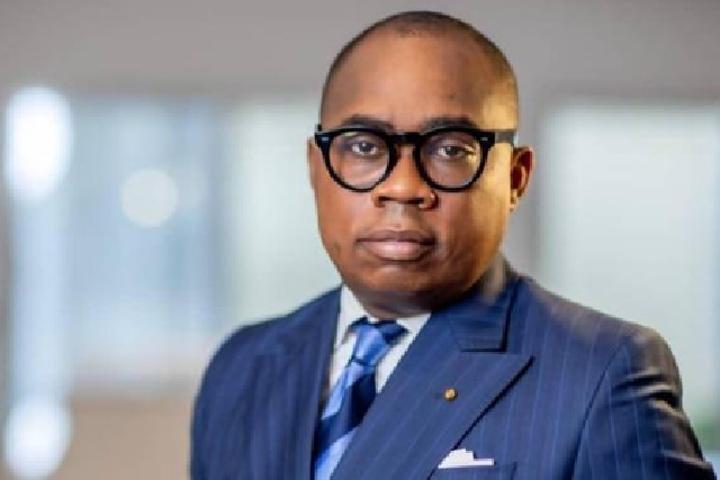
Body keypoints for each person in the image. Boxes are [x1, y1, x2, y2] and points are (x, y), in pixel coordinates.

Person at [190, 10, 716, 480]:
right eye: (364, 146)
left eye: (449, 150)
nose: (402, 187)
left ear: (515, 178)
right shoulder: (242, 366)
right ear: (315, 168)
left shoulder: (601, 373)